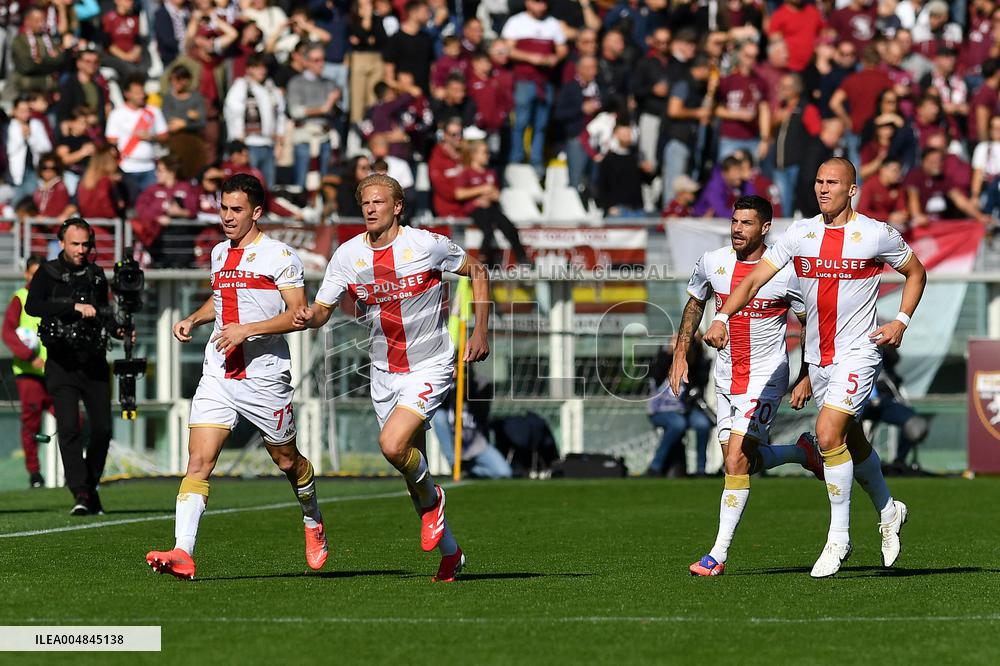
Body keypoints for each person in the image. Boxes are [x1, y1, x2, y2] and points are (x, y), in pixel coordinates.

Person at [704, 158, 927, 578]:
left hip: (860, 350)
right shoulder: (801, 233)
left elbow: (916, 271)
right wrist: (720, 318)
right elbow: (751, 282)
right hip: (820, 358)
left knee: (827, 433)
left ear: (852, 189)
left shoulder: (874, 234)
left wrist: (901, 320)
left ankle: (838, 538)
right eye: (819, 181)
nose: (823, 189)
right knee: (851, 441)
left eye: (833, 182)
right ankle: (888, 508)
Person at [293, 174, 491, 582]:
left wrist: (481, 330)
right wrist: (305, 316)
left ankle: (437, 499)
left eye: (378, 202)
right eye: (365, 202)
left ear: (397, 206)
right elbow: (322, 310)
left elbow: (480, 271)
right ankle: (451, 554)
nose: (369, 209)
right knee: (409, 471)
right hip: (384, 373)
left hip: (430, 364)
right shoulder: (347, 256)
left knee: (392, 444)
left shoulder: (426, 245)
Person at [146, 174, 326, 580]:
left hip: (264, 377)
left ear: (257, 212)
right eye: (223, 208)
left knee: (286, 460)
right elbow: (223, 298)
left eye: (236, 210)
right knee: (198, 461)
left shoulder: (280, 256)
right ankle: (183, 551)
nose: (227, 217)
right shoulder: (218, 253)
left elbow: (298, 315)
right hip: (219, 372)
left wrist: (247, 329)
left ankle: (312, 516)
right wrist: (194, 317)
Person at [671, 195, 824, 576]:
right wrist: (680, 354)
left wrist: (804, 373)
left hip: (766, 378)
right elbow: (695, 303)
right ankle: (802, 453)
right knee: (739, 461)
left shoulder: (786, 273)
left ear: (766, 228)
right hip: (725, 378)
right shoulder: (713, 261)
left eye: (747, 223)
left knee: (736, 461)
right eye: (735, 222)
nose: (738, 229)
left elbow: (809, 324)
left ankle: (717, 555)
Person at [25, 219, 116, 515]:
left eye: (86, 244)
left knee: (102, 429)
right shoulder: (47, 273)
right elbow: (32, 307)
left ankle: (89, 489)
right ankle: (80, 491)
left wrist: (118, 329)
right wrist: (72, 307)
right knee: (69, 427)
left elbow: (104, 312)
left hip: (94, 362)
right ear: (62, 243)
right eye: (75, 244)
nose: (81, 250)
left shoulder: (96, 274)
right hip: (61, 363)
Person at [502, 0, 569, 177]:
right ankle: (515, 159)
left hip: (545, 81)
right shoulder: (516, 22)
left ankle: (536, 161)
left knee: (541, 124)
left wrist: (554, 58)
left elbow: (562, 48)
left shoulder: (552, 24)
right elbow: (506, 49)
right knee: (521, 122)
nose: (542, 7)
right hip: (524, 80)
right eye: (537, 2)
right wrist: (532, 58)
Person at [2, 255, 51, 489]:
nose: (37, 278)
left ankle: (78, 471)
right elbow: (8, 333)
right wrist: (30, 357)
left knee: (74, 420)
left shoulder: (54, 296)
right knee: (31, 424)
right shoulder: (20, 298)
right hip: (29, 372)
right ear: (26, 275)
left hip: (54, 372)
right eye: (33, 273)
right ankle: (35, 474)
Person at [454, 139, 531, 266]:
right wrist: (482, 190)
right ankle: (482, 259)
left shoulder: (490, 173)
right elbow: (459, 194)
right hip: (475, 209)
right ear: (474, 155)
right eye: (484, 153)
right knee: (488, 229)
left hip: (490, 208)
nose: (487, 156)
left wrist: (488, 196)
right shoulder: (466, 173)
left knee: (508, 225)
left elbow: (497, 194)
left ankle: (521, 257)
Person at [105, 75, 169, 206]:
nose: (141, 95)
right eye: (137, 93)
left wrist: (151, 137)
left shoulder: (153, 112)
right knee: (131, 206)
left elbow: (165, 136)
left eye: (142, 92)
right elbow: (111, 141)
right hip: (126, 168)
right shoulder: (117, 113)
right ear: (127, 94)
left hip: (150, 168)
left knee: (152, 206)